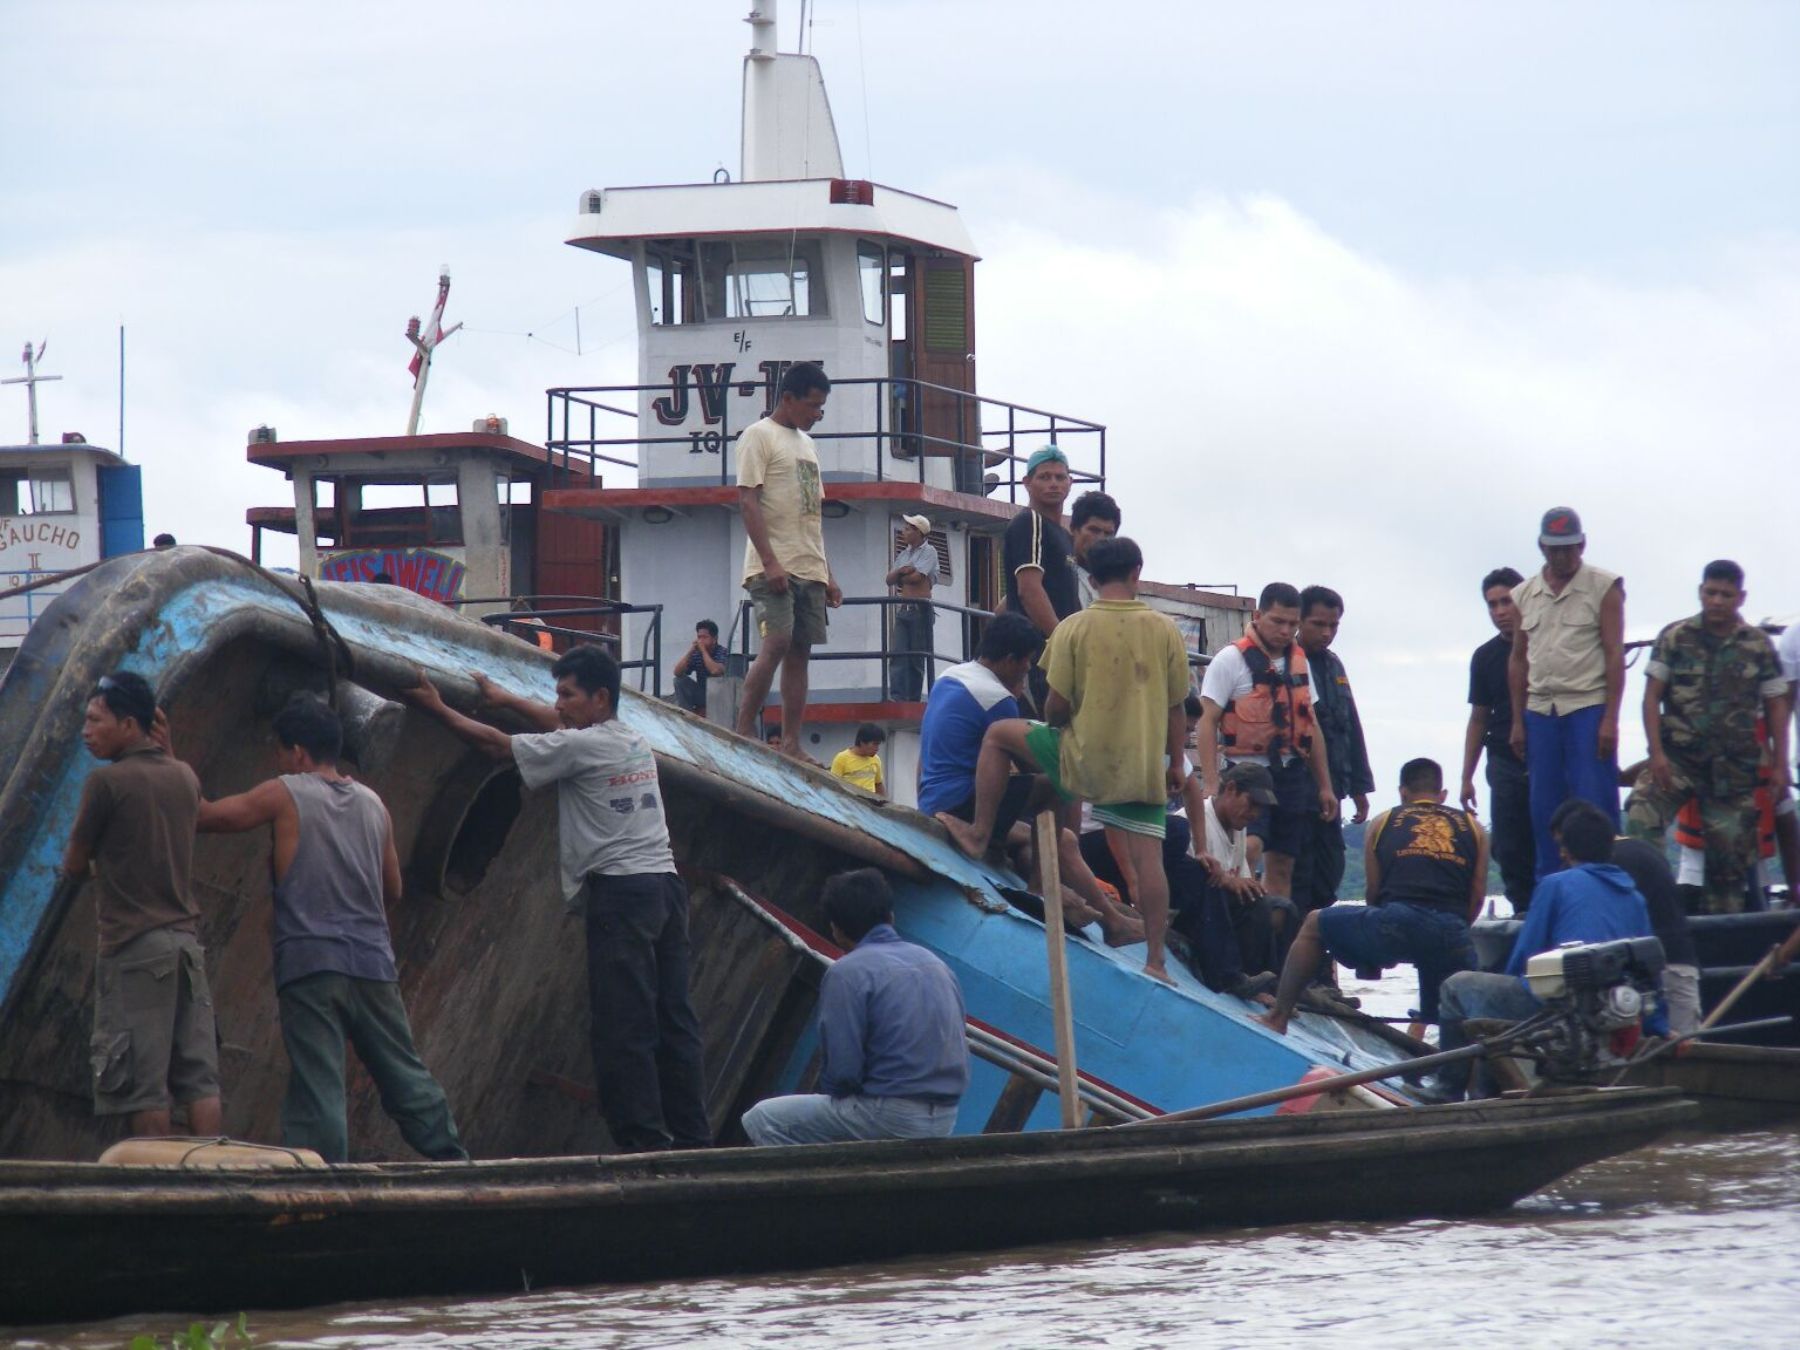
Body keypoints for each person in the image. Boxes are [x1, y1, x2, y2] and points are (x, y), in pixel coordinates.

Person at [405, 647, 710, 1153]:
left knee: (623, 1022)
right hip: (664, 886)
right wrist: (505, 697)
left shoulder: (583, 748)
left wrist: (437, 707)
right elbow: (558, 724)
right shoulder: (629, 738)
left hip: (622, 894)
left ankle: (642, 1144)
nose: (559, 704)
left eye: (568, 694)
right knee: (674, 1019)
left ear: (601, 698)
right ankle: (694, 1138)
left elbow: (499, 748)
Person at [186, 695, 465, 1163]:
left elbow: (208, 816)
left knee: (319, 1081)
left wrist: (172, 758)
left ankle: (322, 1180)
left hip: (311, 964)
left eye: (279, 751)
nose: (278, 761)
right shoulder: (375, 804)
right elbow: (391, 889)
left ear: (297, 752)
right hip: (373, 964)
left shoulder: (284, 791)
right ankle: (453, 1160)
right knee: (403, 1069)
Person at [941, 537, 1190, 981]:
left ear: (1091, 580)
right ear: (1137, 572)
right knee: (1149, 862)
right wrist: (1174, 764)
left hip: (1080, 762)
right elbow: (1176, 707)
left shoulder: (1072, 627)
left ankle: (980, 834)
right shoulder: (1165, 629)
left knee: (999, 734)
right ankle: (1156, 962)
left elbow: (1055, 704)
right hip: (1140, 768)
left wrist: (1060, 724)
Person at [62, 671, 223, 1139]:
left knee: (142, 1085)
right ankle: (214, 1181)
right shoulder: (185, 777)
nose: (85, 731)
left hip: (134, 949)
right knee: (199, 1080)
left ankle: (157, 1189)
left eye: (95, 720)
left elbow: (73, 863)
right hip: (185, 947)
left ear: (129, 724)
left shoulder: (105, 784)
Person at [1420, 800, 1656, 1101]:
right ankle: (1493, 1087)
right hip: (1612, 1011)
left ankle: (1448, 1089)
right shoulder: (1634, 895)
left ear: (1565, 850)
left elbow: (1525, 958)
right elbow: (1648, 969)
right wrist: (1659, 1025)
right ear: (1611, 847)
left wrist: (1505, 990)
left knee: (1455, 988)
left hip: (1557, 1010)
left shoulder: (1555, 884)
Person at [1258, 758, 1484, 1036]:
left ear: (1402, 793)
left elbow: (1373, 893)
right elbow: (1476, 899)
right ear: (1442, 795)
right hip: (1453, 933)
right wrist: (1452, 931)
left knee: (1314, 924)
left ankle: (1278, 1017)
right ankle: (1451, 1071)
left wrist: (1373, 951)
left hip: (1397, 922)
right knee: (1452, 1020)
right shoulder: (1474, 828)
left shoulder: (1383, 821)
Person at [742, 869, 968, 1145]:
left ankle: (808, 1189)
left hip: (891, 1115)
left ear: (836, 929)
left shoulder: (847, 971)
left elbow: (842, 1074)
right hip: (945, 1116)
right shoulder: (935, 963)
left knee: (762, 1119)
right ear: (891, 917)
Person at [1625, 561, 1790, 914]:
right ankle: (1653, 907)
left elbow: (1777, 705)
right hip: (1679, 759)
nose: (1717, 601)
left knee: (1729, 863)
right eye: (1710, 592)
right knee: (1641, 810)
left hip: (1734, 768)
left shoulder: (1757, 646)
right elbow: (1651, 697)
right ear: (1701, 592)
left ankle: (1725, 942)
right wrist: (1656, 754)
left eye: (1725, 595)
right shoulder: (1675, 637)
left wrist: (1779, 764)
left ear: (1740, 598)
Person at [1196, 582, 1337, 903]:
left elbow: (1311, 726)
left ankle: (1277, 936)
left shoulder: (1300, 663)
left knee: (1284, 864)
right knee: (1251, 846)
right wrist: (1211, 782)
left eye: (1293, 623)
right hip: (1247, 773)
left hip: (1291, 774)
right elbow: (1207, 721)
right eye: (1277, 621)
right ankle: (1242, 909)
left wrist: (1325, 786)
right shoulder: (1230, 659)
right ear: (1258, 616)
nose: (1285, 630)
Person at [1508, 507, 1626, 878]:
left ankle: (1606, 881)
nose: (1562, 557)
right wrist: (1517, 720)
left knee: (1595, 803)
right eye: (1554, 549)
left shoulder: (1604, 587)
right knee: (1544, 806)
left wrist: (1610, 718)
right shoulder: (1523, 594)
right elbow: (1517, 659)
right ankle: (1551, 887)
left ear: (1583, 545)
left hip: (1587, 706)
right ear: (1542, 547)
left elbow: (1613, 654)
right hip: (1541, 710)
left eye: (1570, 548)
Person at [734, 361, 843, 756]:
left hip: (809, 565)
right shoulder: (758, 436)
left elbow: (812, 514)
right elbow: (748, 500)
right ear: (788, 399)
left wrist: (828, 574)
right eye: (812, 406)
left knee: (801, 652)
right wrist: (770, 562)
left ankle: (793, 742)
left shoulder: (808, 445)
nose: (816, 414)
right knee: (776, 641)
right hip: (773, 566)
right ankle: (744, 729)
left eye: (821, 408)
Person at [1291, 585, 1374, 920]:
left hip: (1333, 792)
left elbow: (1350, 725)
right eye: (1318, 624)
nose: (1327, 633)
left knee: (1330, 870)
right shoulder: (1287, 663)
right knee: (1299, 873)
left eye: (1334, 626)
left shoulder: (1334, 665)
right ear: (1300, 620)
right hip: (1297, 789)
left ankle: (1319, 955)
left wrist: (1359, 787)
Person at [1460, 567, 1535, 913]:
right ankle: (1521, 908)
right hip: (1503, 759)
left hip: (1545, 754)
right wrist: (1466, 777)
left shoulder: (1546, 644)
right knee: (1508, 843)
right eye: (1492, 605)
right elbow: (1479, 717)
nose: (1500, 611)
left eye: (1506, 602)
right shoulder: (1485, 656)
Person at [1195, 763, 1297, 978]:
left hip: (1225, 905)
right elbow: (1191, 880)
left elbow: (1244, 882)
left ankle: (1279, 980)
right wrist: (1227, 881)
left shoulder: (1237, 826)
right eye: (1252, 804)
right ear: (1231, 789)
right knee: (1255, 905)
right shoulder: (1198, 820)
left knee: (1283, 909)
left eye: (1260, 808)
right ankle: (1245, 976)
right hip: (1202, 908)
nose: (1255, 813)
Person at [1001, 444, 1079, 714]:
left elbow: (1007, 601)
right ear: (1027, 483)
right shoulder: (1031, 522)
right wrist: (1064, 644)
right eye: (1044, 477)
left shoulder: (1065, 536)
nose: (1053, 484)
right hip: (1041, 656)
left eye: (1060, 477)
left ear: (1070, 483)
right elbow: (1029, 590)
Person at [1611, 833, 1700, 1035]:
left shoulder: (1601, 865)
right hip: (1680, 961)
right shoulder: (1648, 850)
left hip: (1639, 976)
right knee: (1688, 1054)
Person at [886, 513, 941, 701]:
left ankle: (913, 699)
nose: (904, 531)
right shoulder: (904, 554)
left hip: (921, 611)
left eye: (908, 528)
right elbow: (889, 579)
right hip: (904, 610)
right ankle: (897, 697)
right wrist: (904, 570)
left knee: (917, 658)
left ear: (919, 532)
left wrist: (903, 574)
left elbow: (916, 578)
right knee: (898, 654)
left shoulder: (930, 552)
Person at [1069, 490, 1121, 610]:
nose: (1101, 539)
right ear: (1074, 529)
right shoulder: (1058, 571)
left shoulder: (1119, 583)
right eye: (1094, 530)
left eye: (1108, 533)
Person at [671, 619, 727, 717]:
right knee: (679, 681)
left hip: (719, 696)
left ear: (714, 639)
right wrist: (690, 651)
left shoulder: (722, 652)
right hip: (702, 693)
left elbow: (715, 671)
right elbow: (677, 672)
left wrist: (704, 651)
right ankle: (686, 715)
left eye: (705, 637)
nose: (700, 641)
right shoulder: (697, 654)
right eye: (699, 637)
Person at [831, 724, 887, 798]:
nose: (877, 748)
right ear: (862, 742)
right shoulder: (842, 758)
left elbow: (878, 784)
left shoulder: (876, 759)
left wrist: (884, 802)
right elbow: (833, 784)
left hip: (870, 804)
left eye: (878, 745)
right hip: (849, 802)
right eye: (875, 744)